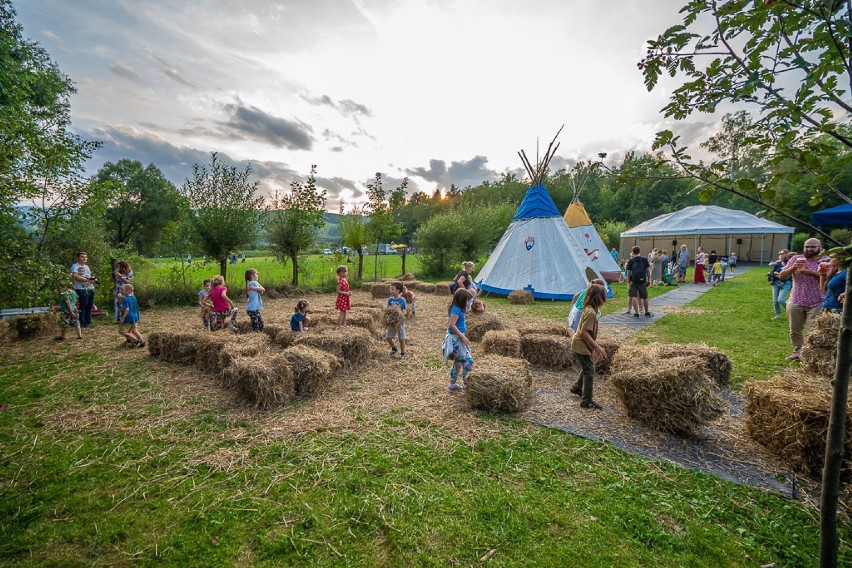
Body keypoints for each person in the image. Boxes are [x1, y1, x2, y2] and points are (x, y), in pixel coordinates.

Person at [777, 238, 829, 361]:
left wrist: (811, 273)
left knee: (813, 332)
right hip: (796, 300)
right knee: (794, 331)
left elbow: (827, 280)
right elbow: (782, 276)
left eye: (813, 247)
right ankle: (798, 353)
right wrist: (792, 268)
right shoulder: (796, 259)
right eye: (807, 247)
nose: (809, 249)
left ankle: (810, 356)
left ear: (820, 248)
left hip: (817, 302)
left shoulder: (825, 260)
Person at [570, 283, 608, 410]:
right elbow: (584, 332)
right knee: (590, 372)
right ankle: (586, 400)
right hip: (581, 344)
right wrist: (597, 346)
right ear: (598, 297)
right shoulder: (591, 312)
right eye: (604, 296)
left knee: (588, 367)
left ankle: (577, 387)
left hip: (582, 344)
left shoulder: (590, 308)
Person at [443, 288, 473, 393]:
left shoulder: (458, 309)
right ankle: (466, 384)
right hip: (456, 339)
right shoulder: (456, 310)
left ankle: (452, 385)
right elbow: (451, 325)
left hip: (458, 338)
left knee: (458, 362)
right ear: (461, 300)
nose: (468, 302)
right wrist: (462, 336)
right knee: (468, 361)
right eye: (466, 300)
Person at [70, 252, 97, 328]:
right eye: (82, 257)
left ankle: (88, 321)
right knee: (83, 305)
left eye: (85, 257)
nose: (84, 258)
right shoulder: (75, 266)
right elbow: (75, 276)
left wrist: (93, 279)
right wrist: (87, 280)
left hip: (90, 288)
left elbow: (88, 276)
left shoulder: (87, 267)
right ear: (78, 258)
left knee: (89, 305)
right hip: (80, 288)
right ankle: (82, 321)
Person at [626, 246, 652, 318]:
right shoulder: (644, 259)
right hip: (642, 280)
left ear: (633, 252)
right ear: (639, 251)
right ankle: (646, 312)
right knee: (645, 297)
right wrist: (649, 279)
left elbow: (628, 272)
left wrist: (628, 280)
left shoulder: (631, 261)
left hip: (633, 280)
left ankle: (636, 313)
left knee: (634, 296)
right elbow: (648, 271)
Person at [386, 282, 408, 360]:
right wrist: (387, 317)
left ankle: (403, 353)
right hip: (392, 323)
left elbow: (405, 311)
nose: (391, 290)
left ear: (398, 290)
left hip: (400, 323)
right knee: (388, 338)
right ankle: (394, 348)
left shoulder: (402, 300)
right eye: (390, 289)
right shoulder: (390, 300)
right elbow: (387, 310)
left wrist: (401, 314)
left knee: (401, 339)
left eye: (392, 289)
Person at [117, 283, 144, 347]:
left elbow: (127, 309)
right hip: (135, 317)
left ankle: (135, 340)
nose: (120, 291)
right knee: (134, 330)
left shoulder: (125, 299)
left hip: (128, 317)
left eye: (122, 290)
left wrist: (123, 318)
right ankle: (142, 341)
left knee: (122, 331)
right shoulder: (133, 297)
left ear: (128, 291)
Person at [769, 250, 790, 320]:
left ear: (787, 254)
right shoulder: (776, 263)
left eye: (783, 253)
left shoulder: (790, 262)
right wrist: (776, 266)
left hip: (786, 282)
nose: (781, 255)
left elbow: (788, 275)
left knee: (781, 300)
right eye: (779, 254)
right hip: (776, 282)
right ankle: (778, 315)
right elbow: (772, 273)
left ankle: (792, 312)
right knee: (775, 301)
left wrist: (778, 274)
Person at [245, 268, 265, 332]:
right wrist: (256, 288)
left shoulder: (253, 283)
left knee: (259, 323)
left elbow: (261, 291)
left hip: (253, 309)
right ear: (252, 276)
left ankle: (259, 333)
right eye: (256, 274)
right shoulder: (253, 283)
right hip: (252, 309)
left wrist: (255, 289)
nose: (257, 275)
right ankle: (256, 334)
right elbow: (263, 290)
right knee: (256, 324)